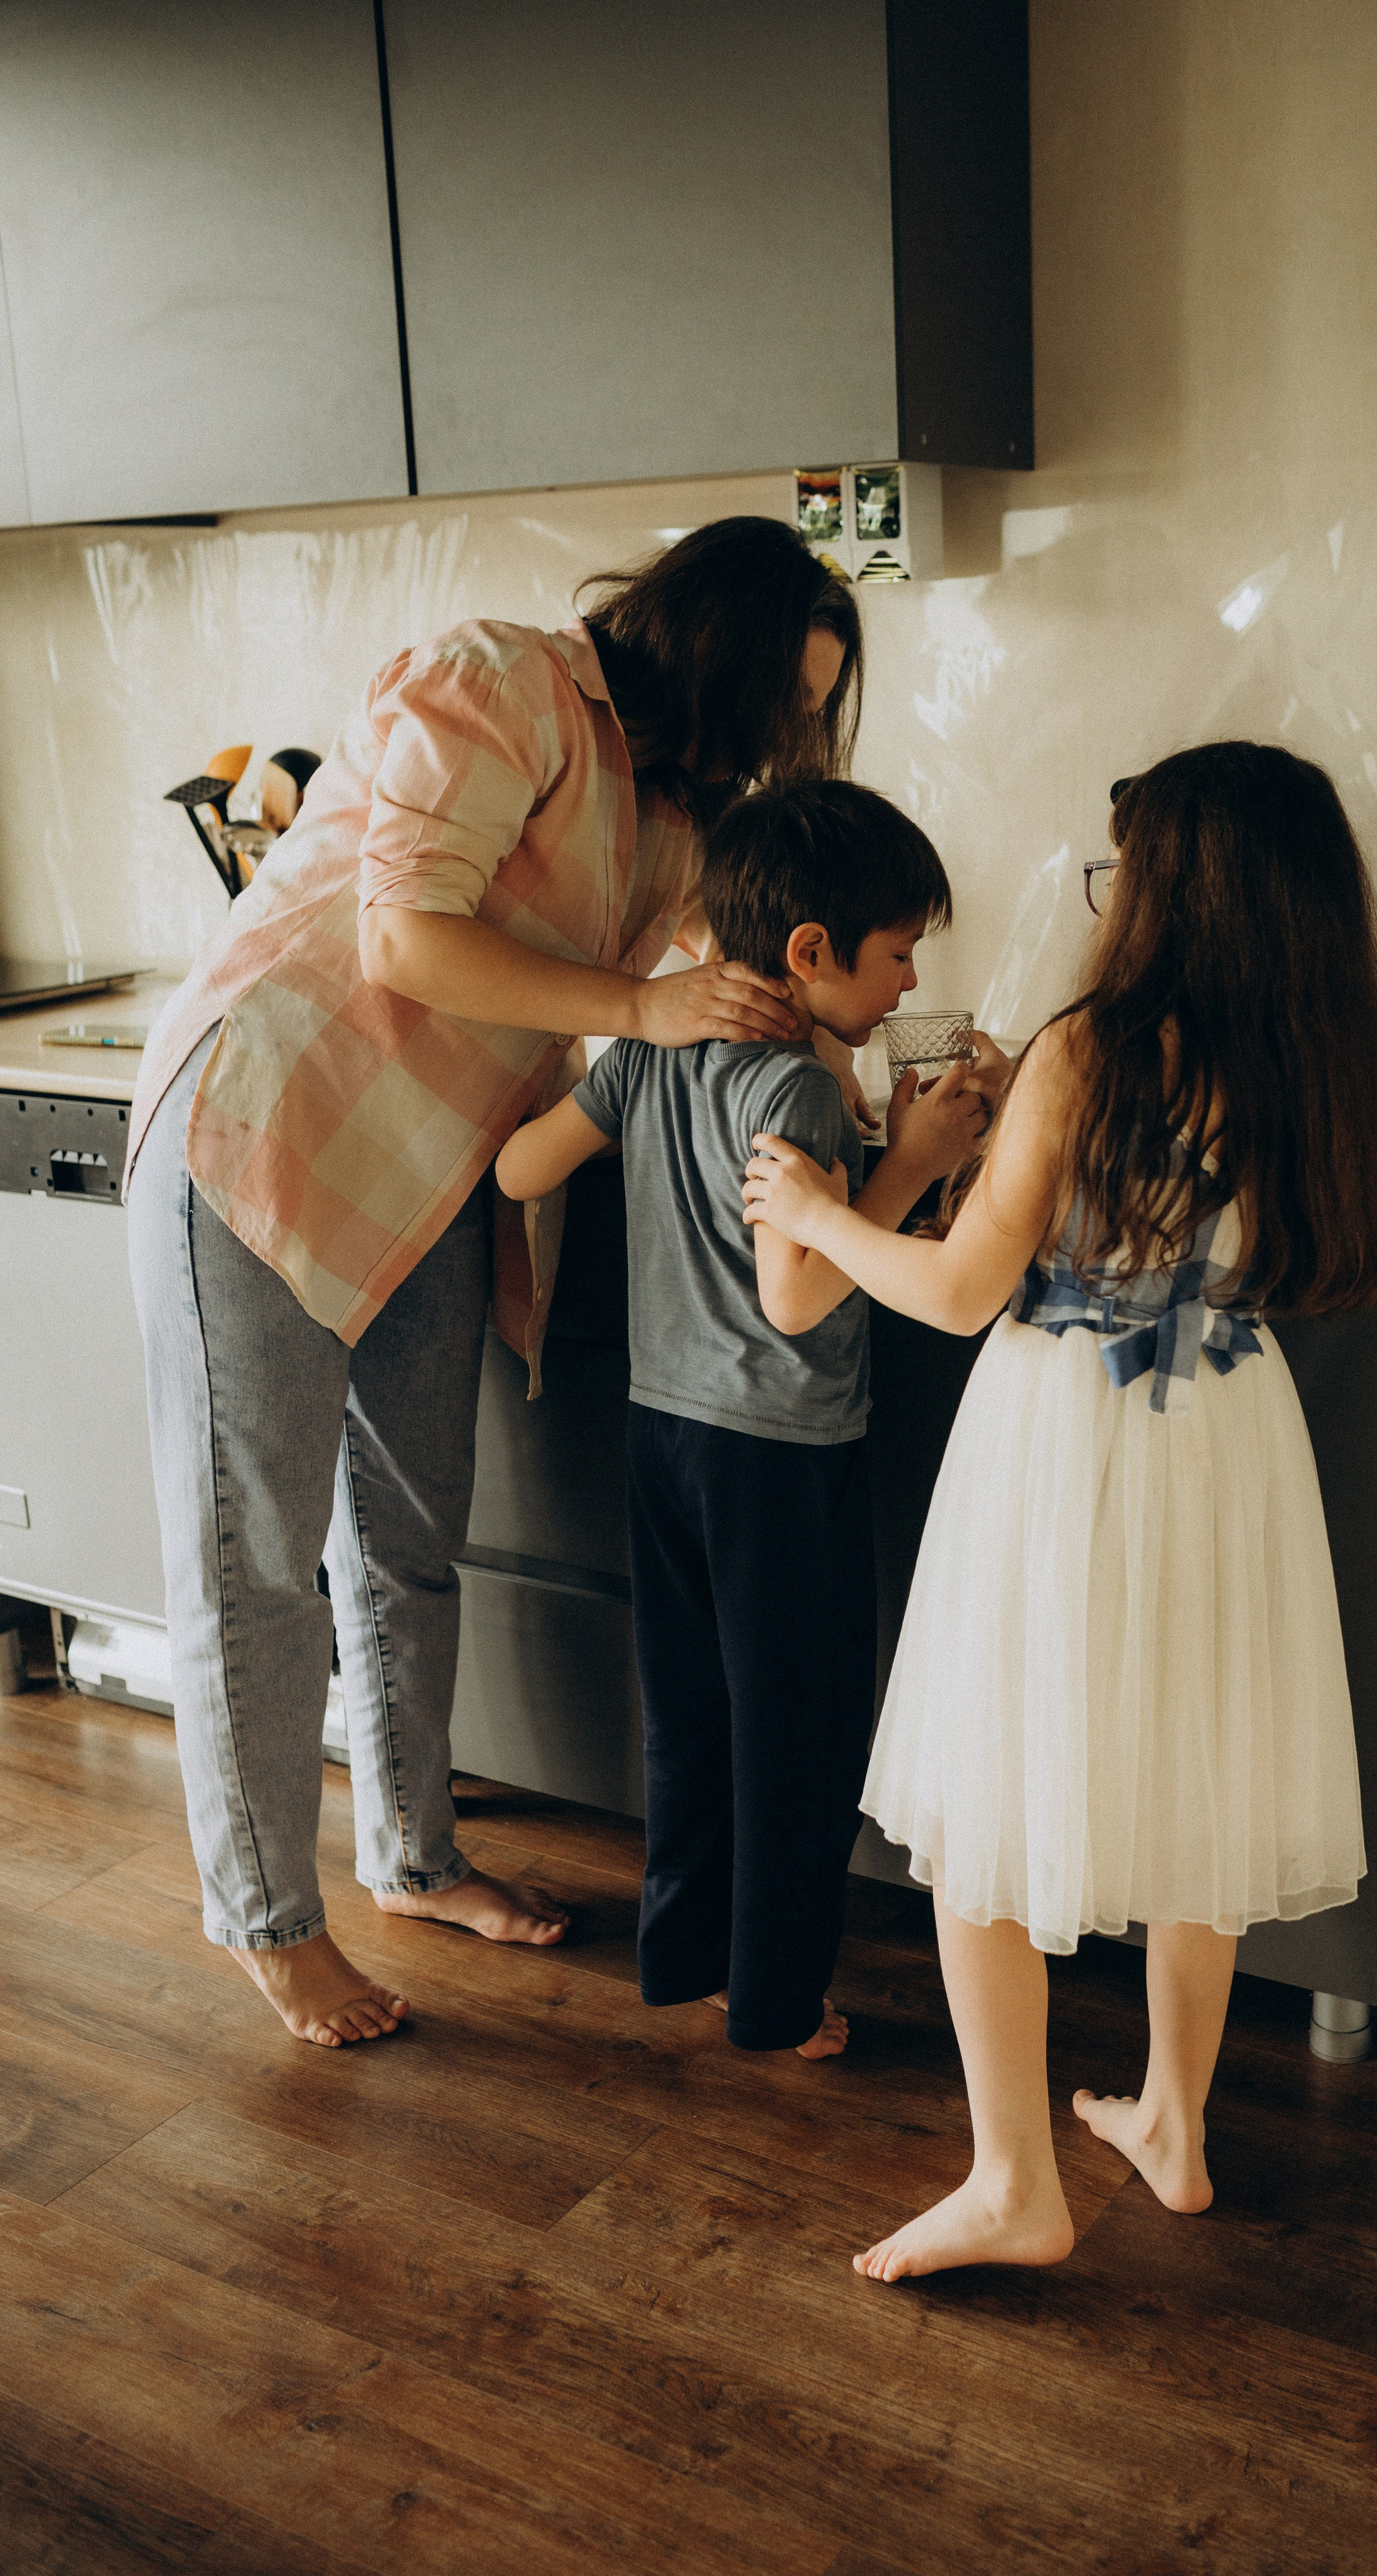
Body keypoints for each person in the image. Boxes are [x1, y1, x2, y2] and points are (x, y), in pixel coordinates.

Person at [125, 517, 863, 2050]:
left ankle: (412, 1855)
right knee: (254, 1558)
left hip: (427, 1179)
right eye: (788, 703)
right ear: (713, 653)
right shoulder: (504, 684)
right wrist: (640, 1005)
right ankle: (270, 1923)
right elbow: (405, 937)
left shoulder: (669, 817)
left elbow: (693, 992)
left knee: (406, 1543)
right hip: (265, 1133)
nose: (793, 737)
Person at [741, 741, 1377, 2277]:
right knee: (1203, 1774)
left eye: (1124, 872)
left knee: (983, 1796)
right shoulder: (1321, 1043)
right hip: (1232, 1433)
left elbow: (962, 1290)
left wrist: (817, 1210)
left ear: (1173, 888)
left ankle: (1011, 2182)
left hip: (1068, 1431)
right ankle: (1171, 2124)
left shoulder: (1090, 1049)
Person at [496, 780, 991, 2057]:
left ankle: (691, 1961)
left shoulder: (653, 1049)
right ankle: (776, 2003)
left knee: (696, 1715)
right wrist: (914, 1167)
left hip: (662, 1434)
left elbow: (519, 1168)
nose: (911, 977)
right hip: (778, 1454)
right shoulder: (801, 1096)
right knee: (799, 1737)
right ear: (813, 954)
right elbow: (796, 1290)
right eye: (897, 953)